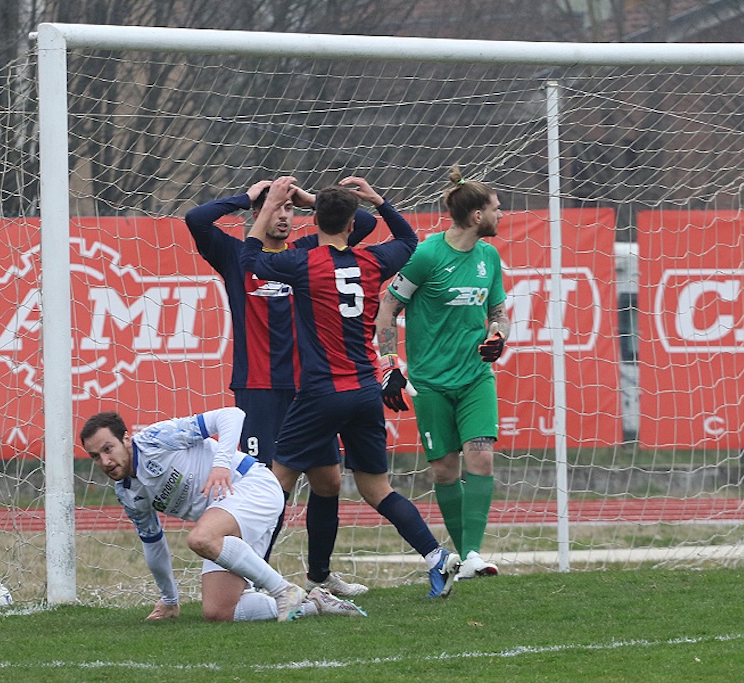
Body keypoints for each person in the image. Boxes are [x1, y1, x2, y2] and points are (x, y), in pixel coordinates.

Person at [241, 175, 460, 599]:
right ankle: (436, 557)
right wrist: (380, 200)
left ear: (313, 218)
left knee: (275, 481)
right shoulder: (373, 261)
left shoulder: (303, 263)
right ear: (351, 224)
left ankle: (253, 581)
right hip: (365, 390)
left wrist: (271, 207)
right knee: (376, 487)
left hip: (322, 392)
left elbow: (250, 255)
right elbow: (408, 238)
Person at [184, 181, 377, 597]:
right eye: (278, 209)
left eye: (291, 210)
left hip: (310, 391)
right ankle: (259, 581)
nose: (285, 216)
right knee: (262, 491)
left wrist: (312, 201)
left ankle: (320, 577)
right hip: (259, 390)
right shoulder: (236, 254)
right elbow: (196, 219)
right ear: (261, 213)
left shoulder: (308, 251)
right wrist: (251, 198)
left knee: (327, 481)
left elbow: (362, 222)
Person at [79, 406, 367, 622]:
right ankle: (314, 602)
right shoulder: (127, 492)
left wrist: (220, 465)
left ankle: (284, 591)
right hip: (227, 518)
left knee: (201, 537)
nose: (105, 461)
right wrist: (169, 600)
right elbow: (153, 545)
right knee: (219, 611)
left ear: (126, 440)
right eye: (95, 456)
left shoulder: (156, 439)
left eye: (108, 449)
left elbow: (232, 415)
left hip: (254, 486)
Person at [375, 164, 509, 582]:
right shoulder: (428, 255)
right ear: (476, 217)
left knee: (481, 457)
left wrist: (498, 334)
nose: (500, 215)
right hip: (431, 382)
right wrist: (389, 364)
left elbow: (497, 311)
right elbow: (387, 308)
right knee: (444, 471)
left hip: (475, 377)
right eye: (496, 209)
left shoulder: (490, 257)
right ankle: (464, 555)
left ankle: (471, 554)